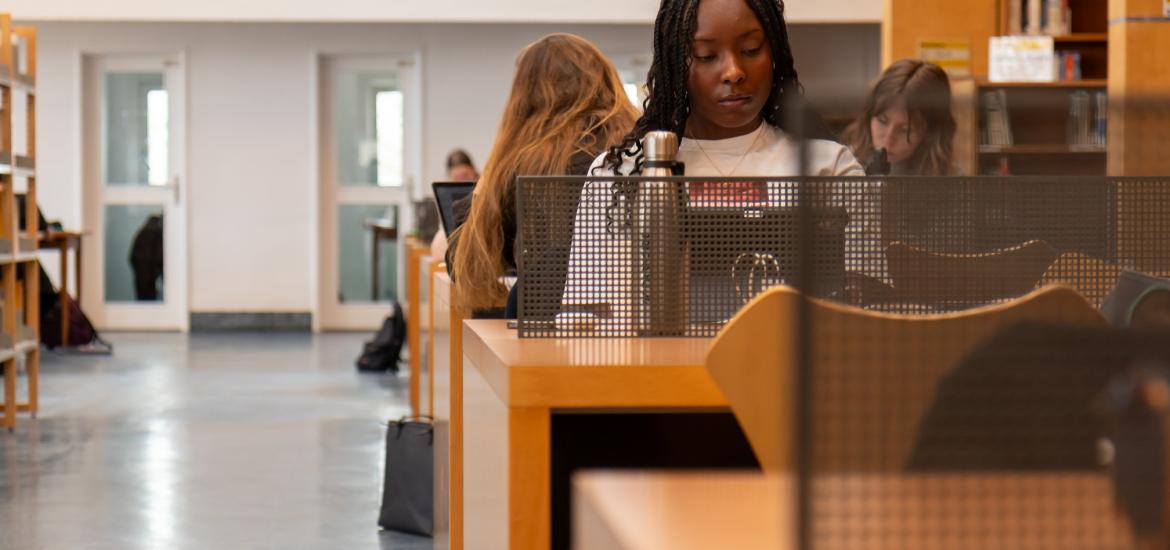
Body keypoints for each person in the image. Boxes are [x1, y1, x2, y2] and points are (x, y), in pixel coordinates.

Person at [562, 0, 866, 322]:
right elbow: (586, 316)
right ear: (676, 64)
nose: (734, 72)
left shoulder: (829, 168)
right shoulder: (621, 173)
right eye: (706, 56)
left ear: (775, 52)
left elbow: (867, 311)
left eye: (750, 49)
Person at [448, 33, 639, 316]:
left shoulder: (526, 162)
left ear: (526, 96)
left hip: (548, 329)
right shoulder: (639, 147)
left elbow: (465, 265)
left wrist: (491, 174)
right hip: (636, 323)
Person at [842, 59, 956, 176]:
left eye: (906, 129)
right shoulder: (842, 167)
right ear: (868, 116)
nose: (889, 138)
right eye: (882, 121)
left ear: (931, 132)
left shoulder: (950, 182)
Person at [429, 149, 479, 259]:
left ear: (473, 171)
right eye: (457, 177)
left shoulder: (484, 192)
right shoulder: (446, 197)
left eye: (465, 175)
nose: (462, 182)